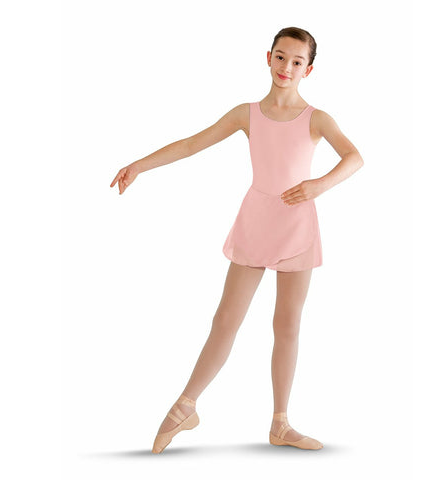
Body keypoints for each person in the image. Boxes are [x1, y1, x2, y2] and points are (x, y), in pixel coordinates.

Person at [110, 26, 364, 454]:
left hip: (297, 224)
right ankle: (185, 406)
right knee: (226, 318)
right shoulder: (247, 114)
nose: (286, 67)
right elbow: (192, 144)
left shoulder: (317, 118)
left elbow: (354, 157)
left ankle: (280, 423)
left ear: (308, 69)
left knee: (287, 324)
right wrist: (139, 165)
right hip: (257, 219)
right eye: (281, 57)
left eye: (297, 61)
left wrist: (318, 185)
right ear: (268, 57)